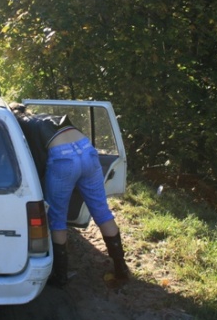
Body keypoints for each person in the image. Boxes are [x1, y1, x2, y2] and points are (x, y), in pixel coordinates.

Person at [9, 102, 130, 287]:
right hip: (87, 150)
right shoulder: (43, 117)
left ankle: (60, 276)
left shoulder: (22, 125)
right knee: (102, 211)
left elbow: (34, 160)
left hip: (63, 157)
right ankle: (121, 269)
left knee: (57, 218)